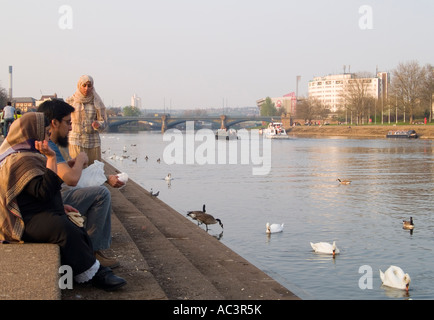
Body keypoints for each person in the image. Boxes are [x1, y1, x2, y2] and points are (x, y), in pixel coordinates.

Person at [0, 112, 126, 291]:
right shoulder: (20, 160)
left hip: (34, 214)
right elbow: (43, 192)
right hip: (22, 221)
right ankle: (96, 274)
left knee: (73, 224)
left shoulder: (30, 155)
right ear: (32, 133)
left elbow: (41, 194)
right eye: (44, 132)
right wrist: (51, 158)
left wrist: (60, 206)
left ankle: (85, 266)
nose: (47, 136)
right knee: (62, 227)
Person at [37, 99, 124, 268]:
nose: (71, 127)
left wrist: (104, 177)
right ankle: (92, 253)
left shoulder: (48, 143)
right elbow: (71, 179)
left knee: (96, 190)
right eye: (68, 123)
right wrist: (80, 160)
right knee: (101, 194)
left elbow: (62, 172)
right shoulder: (50, 145)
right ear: (54, 123)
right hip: (49, 202)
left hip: (45, 199)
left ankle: (91, 249)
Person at [66, 75, 108, 165]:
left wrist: (98, 124)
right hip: (75, 140)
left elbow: (104, 121)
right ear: (79, 86)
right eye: (84, 86)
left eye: (89, 86)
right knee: (77, 169)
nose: (86, 88)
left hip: (93, 142)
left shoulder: (97, 101)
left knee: (94, 171)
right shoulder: (71, 101)